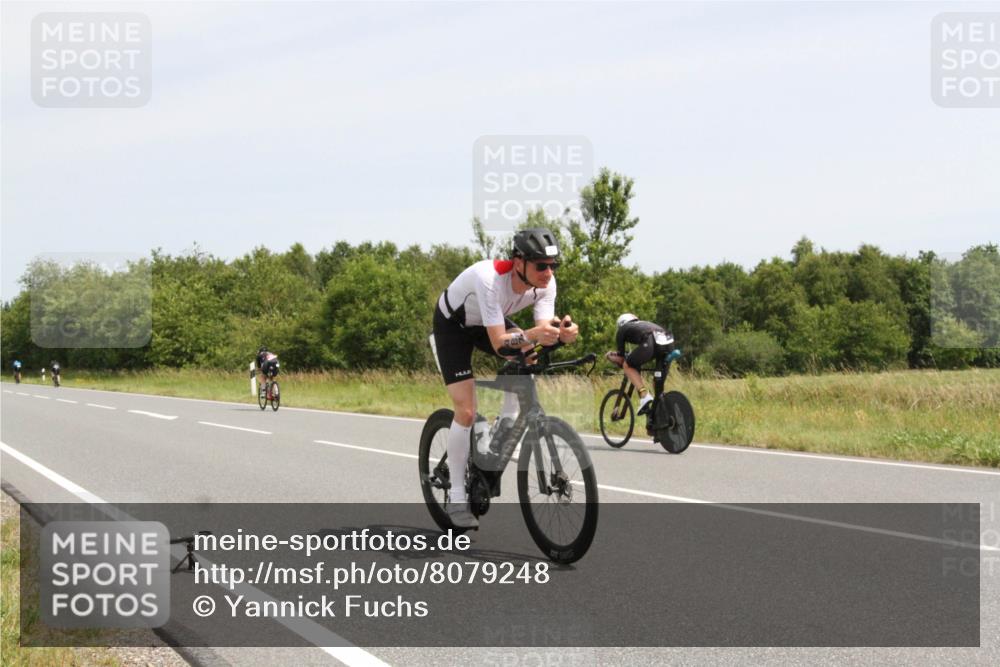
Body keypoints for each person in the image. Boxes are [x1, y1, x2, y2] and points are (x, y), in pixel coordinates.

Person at [431, 227, 579, 528]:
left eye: (553, 266)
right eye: (541, 265)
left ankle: (503, 427)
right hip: (455, 327)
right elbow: (500, 343)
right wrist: (533, 335)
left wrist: (562, 334)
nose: (548, 272)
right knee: (467, 411)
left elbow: (539, 333)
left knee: (529, 355)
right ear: (518, 262)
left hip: (491, 322)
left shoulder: (545, 284)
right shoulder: (489, 279)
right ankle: (458, 497)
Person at [606, 314, 675, 415]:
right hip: (669, 343)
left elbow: (621, 360)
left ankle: (644, 394)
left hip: (652, 341)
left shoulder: (622, 329)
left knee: (627, 365)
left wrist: (610, 357)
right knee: (658, 384)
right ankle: (658, 416)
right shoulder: (644, 324)